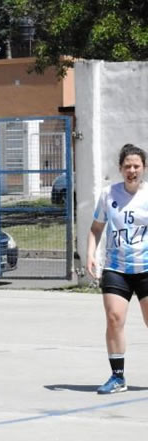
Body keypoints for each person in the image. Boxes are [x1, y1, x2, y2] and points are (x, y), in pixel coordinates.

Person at [87, 143, 148, 394]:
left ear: (143, 168)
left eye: (136, 166)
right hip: (116, 268)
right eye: (127, 166)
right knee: (114, 319)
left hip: (145, 267)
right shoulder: (108, 194)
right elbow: (96, 228)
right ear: (120, 169)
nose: (131, 170)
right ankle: (117, 377)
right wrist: (91, 254)